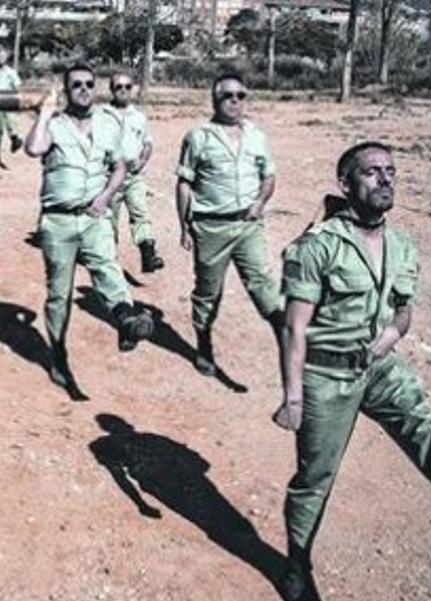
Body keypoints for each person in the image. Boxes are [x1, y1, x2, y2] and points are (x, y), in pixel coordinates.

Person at [272, 141, 431, 601]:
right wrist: (293, 397)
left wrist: (394, 331)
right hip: (326, 374)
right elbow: (294, 327)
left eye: (390, 171)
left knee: (428, 427)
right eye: (371, 172)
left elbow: (403, 307)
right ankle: (298, 564)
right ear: (346, 183)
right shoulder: (318, 246)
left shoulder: (402, 243)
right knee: (314, 478)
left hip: (377, 367)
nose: (384, 180)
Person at [24, 64, 155, 401]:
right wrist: (45, 113)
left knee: (108, 267)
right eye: (75, 85)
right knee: (59, 293)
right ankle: (57, 352)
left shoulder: (107, 125)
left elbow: (121, 166)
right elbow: (34, 149)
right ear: (66, 91)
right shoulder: (52, 125)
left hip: (93, 216)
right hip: (58, 221)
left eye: (88, 84)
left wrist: (106, 196)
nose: (83, 89)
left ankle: (125, 319)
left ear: (96, 89)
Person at [175, 73, 283, 377]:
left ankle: (285, 337)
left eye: (240, 95)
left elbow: (269, 175)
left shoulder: (257, 135)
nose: (235, 101)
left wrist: (260, 202)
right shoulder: (198, 137)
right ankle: (204, 341)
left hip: (248, 225)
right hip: (211, 228)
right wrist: (185, 226)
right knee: (208, 290)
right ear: (215, 100)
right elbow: (185, 183)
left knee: (262, 283)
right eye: (227, 96)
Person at [106, 70, 163, 274]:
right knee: (109, 219)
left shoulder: (139, 117)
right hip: (109, 177)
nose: (123, 91)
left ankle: (148, 253)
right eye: (118, 87)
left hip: (133, 175)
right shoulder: (101, 116)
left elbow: (147, 143)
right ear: (112, 90)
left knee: (140, 213)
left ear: (133, 89)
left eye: (127, 87)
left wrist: (143, 161)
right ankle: (108, 259)